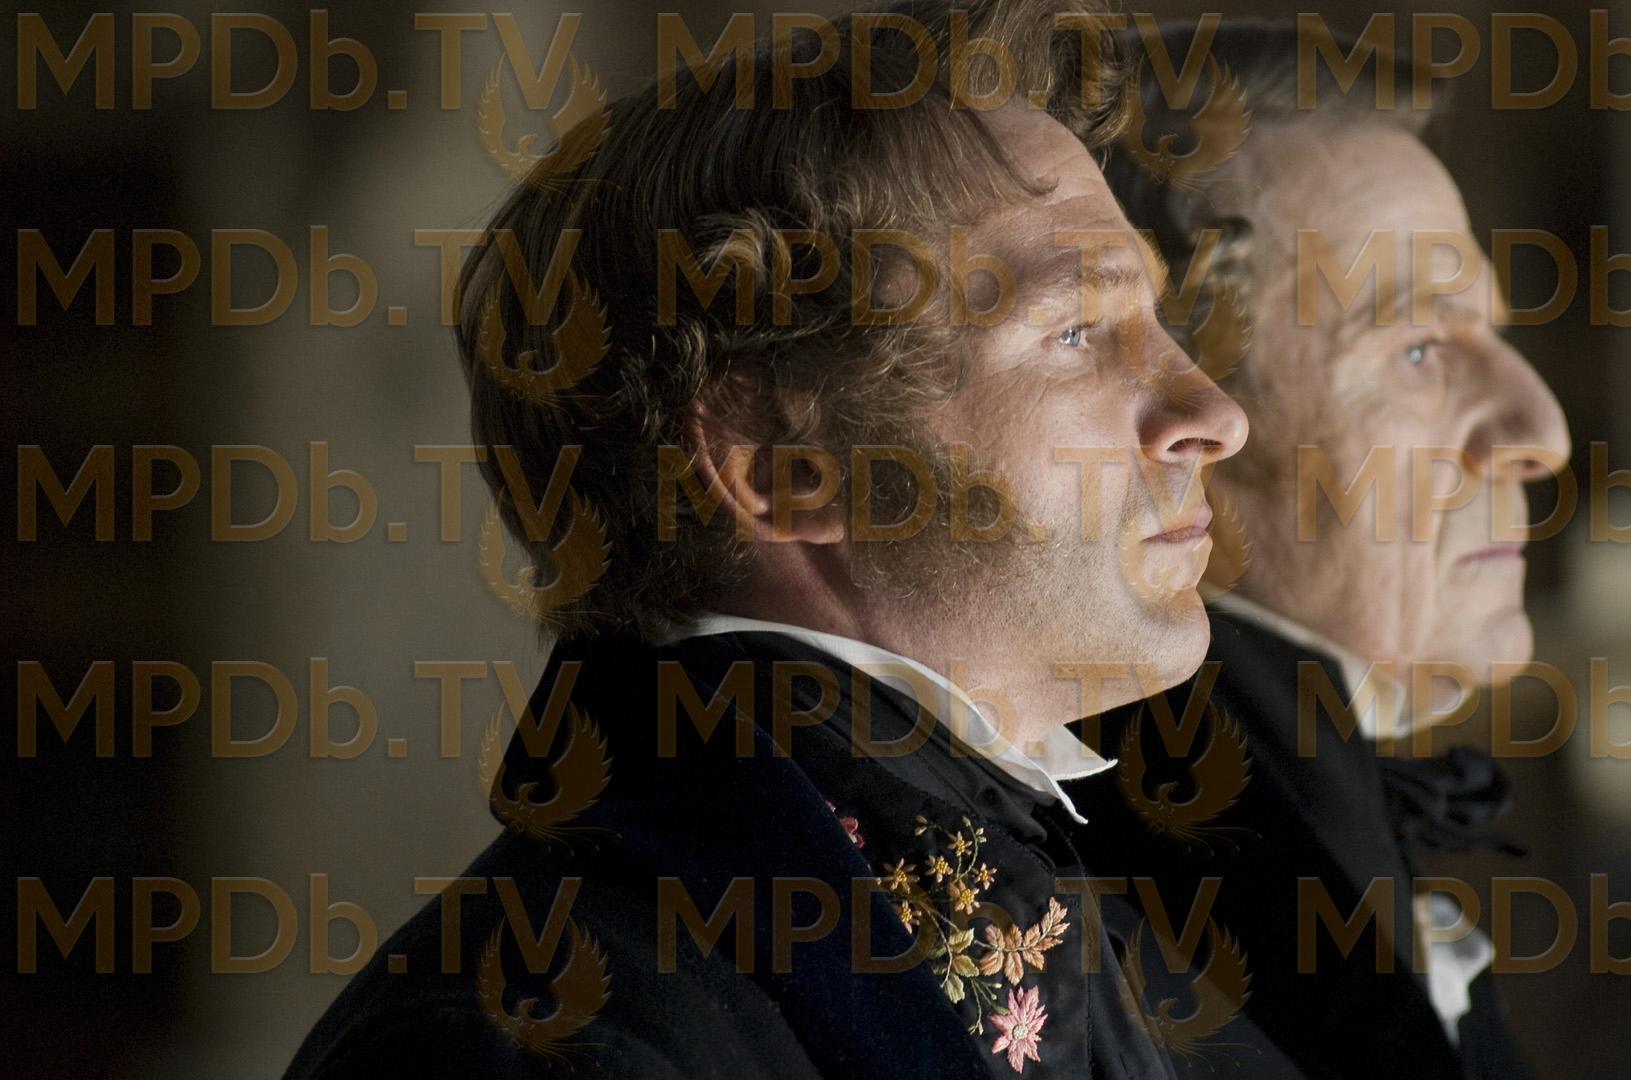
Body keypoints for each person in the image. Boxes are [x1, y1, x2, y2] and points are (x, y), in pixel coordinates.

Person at [285, 2, 1260, 1077]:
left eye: (1155, 323)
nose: (1213, 414)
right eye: (1076, 331)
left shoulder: (1063, 910)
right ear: (778, 463)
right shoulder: (529, 1042)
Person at [1066, 18, 1572, 1080]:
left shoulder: (1304, 813)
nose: (1540, 431)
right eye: (1420, 347)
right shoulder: (1095, 908)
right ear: (1187, 424)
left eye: (1491, 333)